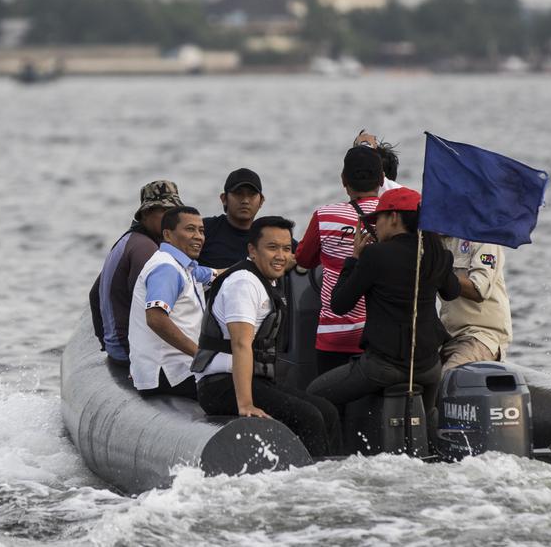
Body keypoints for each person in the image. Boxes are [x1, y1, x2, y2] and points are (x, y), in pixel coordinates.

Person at [193, 216, 342, 457]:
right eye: (272, 248)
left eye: (286, 249)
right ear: (252, 250)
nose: (281, 256)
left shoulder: (264, 279)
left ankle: (332, 475)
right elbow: (241, 344)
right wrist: (246, 404)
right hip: (221, 385)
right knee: (310, 417)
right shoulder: (244, 284)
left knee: (327, 411)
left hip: (253, 381)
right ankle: (313, 479)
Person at [306, 187, 460, 413]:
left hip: (384, 367)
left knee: (314, 395)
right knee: (426, 417)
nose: (375, 225)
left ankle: (338, 449)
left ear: (394, 217)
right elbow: (452, 292)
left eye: (378, 218)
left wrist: (353, 260)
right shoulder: (438, 255)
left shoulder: (375, 255)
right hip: (429, 367)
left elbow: (339, 305)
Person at [293, 146, 386, 375]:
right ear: (382, 179)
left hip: (334, 336)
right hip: (380, 335)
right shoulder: (393, 218)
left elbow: (304, 259)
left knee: (332, 400)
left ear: (344, 180)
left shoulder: (325, 216)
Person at [88, 180, 184, 364]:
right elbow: (147, 310)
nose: (170, 220)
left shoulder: (128, 240)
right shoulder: (145, 249)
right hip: (130, 351)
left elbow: (94, 295)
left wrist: (105, 341)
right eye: (164, 212)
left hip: (116, 346)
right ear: (146, 213)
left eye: (174, 213)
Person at [127, 206, 214, 398]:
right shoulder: (166, 268)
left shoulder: (185, 267)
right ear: (167, 234)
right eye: (190, 229)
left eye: (201, 231)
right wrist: (201, 355)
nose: (198, 236)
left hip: (179, 368)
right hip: (168, 373)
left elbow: (215, 275)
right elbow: (156, 319)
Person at [439, 237, 512, 372]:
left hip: (481, 336)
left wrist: (440, 275)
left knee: (449, 377)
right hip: (446, 337)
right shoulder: (431, 240)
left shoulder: (484, 237)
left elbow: (479, 290)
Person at [198, 168, 264, 269]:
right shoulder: (203, 230)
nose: (245, 200)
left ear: (261, 201)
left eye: (251, 194)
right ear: (224, 199)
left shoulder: (268, 236)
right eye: (238, 193)